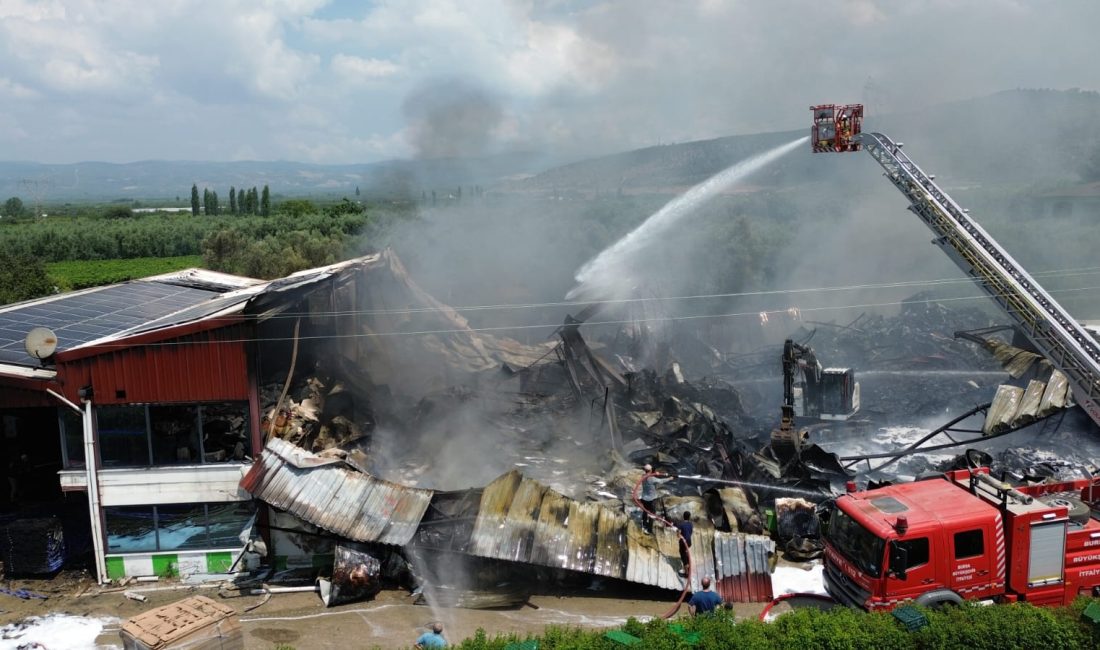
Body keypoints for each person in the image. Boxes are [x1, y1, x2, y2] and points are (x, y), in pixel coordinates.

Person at [639, 463, 672, 533]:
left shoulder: (643, 476)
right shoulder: (651, 479)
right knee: (652, 514)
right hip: (651, 499)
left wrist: (654, 474)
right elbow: (661, 481)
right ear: (650, 470)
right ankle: (649, 529)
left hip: (644, 498)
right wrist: (670, 478)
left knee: (645, 511)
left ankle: (643, 525)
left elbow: (650, 476)